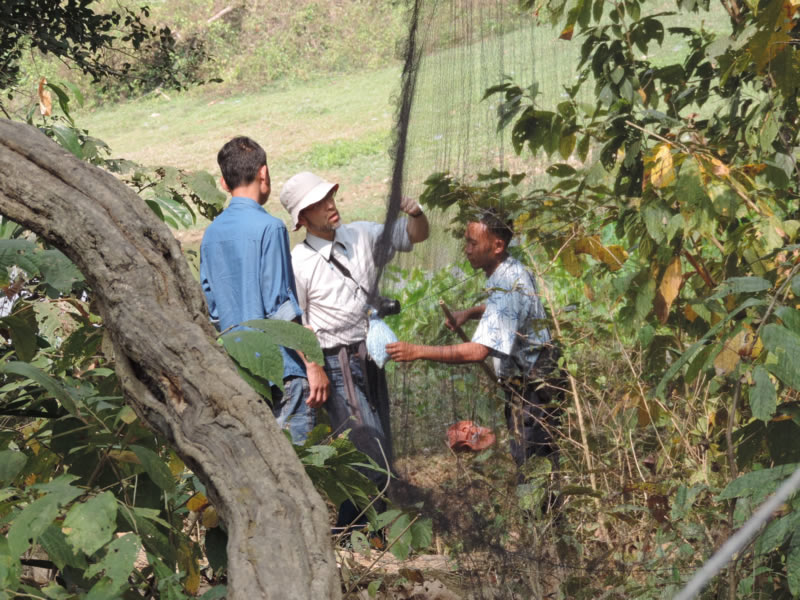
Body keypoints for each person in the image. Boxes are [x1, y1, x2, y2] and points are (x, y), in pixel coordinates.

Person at [386, 210, 565, 473]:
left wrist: (418, 351)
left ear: (498, 246)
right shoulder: (511, 270)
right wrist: (470, 313)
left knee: (534, 467)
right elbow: (508, 309)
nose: (467, 250)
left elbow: (477, 351)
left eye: (473, 243)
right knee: (540, 463)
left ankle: (542, 514)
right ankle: (545, 511)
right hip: (536, 378)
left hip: (536, 387)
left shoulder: (507, 282)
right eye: (466, 242)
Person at [279, 171, 430, 465]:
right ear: (303, 219)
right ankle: (376, 504)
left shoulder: (362, 234)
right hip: (336, 365)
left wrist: (416, 213)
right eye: (319, 203)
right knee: (370, 454)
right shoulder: (299, 262)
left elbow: (414, 234)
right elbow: (294, 322)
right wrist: (313, 366)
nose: (330, 205)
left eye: (330, 197)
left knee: (378, 447)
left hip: (371, 356)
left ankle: (367, 508)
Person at [200, 137, 329, 444]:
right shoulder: (270, 228)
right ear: (264, 174)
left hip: (239, 371)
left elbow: (212, 309)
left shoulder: (210, 234)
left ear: (223, 182)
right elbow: (279, 307)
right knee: (297, 468)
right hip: (282, 370)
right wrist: (312, 364)